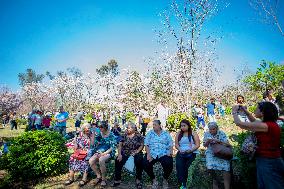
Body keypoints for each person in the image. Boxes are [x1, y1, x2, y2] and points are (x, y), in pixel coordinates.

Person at [232, 102, 284, 189]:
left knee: (272, 186)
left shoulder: (267, 126)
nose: (255, 110)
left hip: (268, 161)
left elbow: (240, 124)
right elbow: (254, 121)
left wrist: (234, 111)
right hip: (268, 159)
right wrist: (245, 111)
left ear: (262, 112)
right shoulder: (269, 124)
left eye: (257, 108)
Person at [112, 122, 144, 188]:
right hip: (125, 152)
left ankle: (138, 179)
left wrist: (137, 151)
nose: (127, 129)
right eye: (127, 128)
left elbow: (142, 145)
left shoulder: (138, 135)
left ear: (133, 129)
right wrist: (119, 154)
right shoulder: (124, 135)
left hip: (136, 152)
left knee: (139, 160)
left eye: (128, 128)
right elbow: (120, 145)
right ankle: (117, 179)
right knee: (118, 160)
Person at [143, 120, 173, 189]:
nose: (153, 126)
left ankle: (165, 179)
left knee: (169, 163)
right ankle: (153, 179)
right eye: (153, 125)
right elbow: (146, 144)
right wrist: (148, 154)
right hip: (152, 153)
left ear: (159, 125)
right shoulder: (150, 133)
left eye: (155, 125)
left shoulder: (166, 133)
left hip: (163, 153)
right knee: (145, 163)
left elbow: (170, 144)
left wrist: (170, 152)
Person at [203, 122, 231, 189]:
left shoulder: (221, 133)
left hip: (221, 152)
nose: (212, 131)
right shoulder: (206, 134)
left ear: (217, 128)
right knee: (210, 166)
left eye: (213, 129)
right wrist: (208, 141)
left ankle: (227, 186)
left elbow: (227, 144)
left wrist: (218, 141)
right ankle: (215, 182)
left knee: (226, 167)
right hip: (211, 152)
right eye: (210, 129)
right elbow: (205, 145)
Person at [88, 121, 117, 187]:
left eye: (101, 127)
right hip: (100, 150)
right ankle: (99, 176)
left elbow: (113, 147)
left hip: (109, 151)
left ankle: (104, 179)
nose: (100, 128)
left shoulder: (111, 134)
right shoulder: (100, 133)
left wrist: (104, 153)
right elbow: (95, 143)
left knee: (101, 160)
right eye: (99, 127)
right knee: (91, 161)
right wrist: (94, 135)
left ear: (105, 127)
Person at [175, 119, 200, 189]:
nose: (182, 127)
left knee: (187, 167)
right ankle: (182, 184)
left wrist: (191, 150)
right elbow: (176, 144)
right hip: (181, 152)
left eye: (184, 126)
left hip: (192, 152)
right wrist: (180, 150)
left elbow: (197, 145)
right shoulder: (179, 134)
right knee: (179, 166)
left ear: (188, 126)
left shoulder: (193, 133)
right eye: (181, 126)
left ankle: (187, 183)